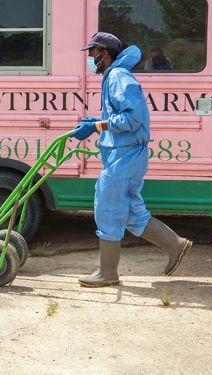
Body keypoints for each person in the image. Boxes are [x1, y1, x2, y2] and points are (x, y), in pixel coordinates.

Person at [72, 32, 192, 287]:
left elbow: (132, 119)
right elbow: (121, 117)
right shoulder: (114, 76)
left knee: (108, 208)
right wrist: (98, 122)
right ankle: (175, 245)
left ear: (104, 53)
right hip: (126, 154)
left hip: (124, 156)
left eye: (92, 53)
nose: (90, 58)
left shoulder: (117, 76)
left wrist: (98, 127)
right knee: (131, 212)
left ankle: (108, 272)